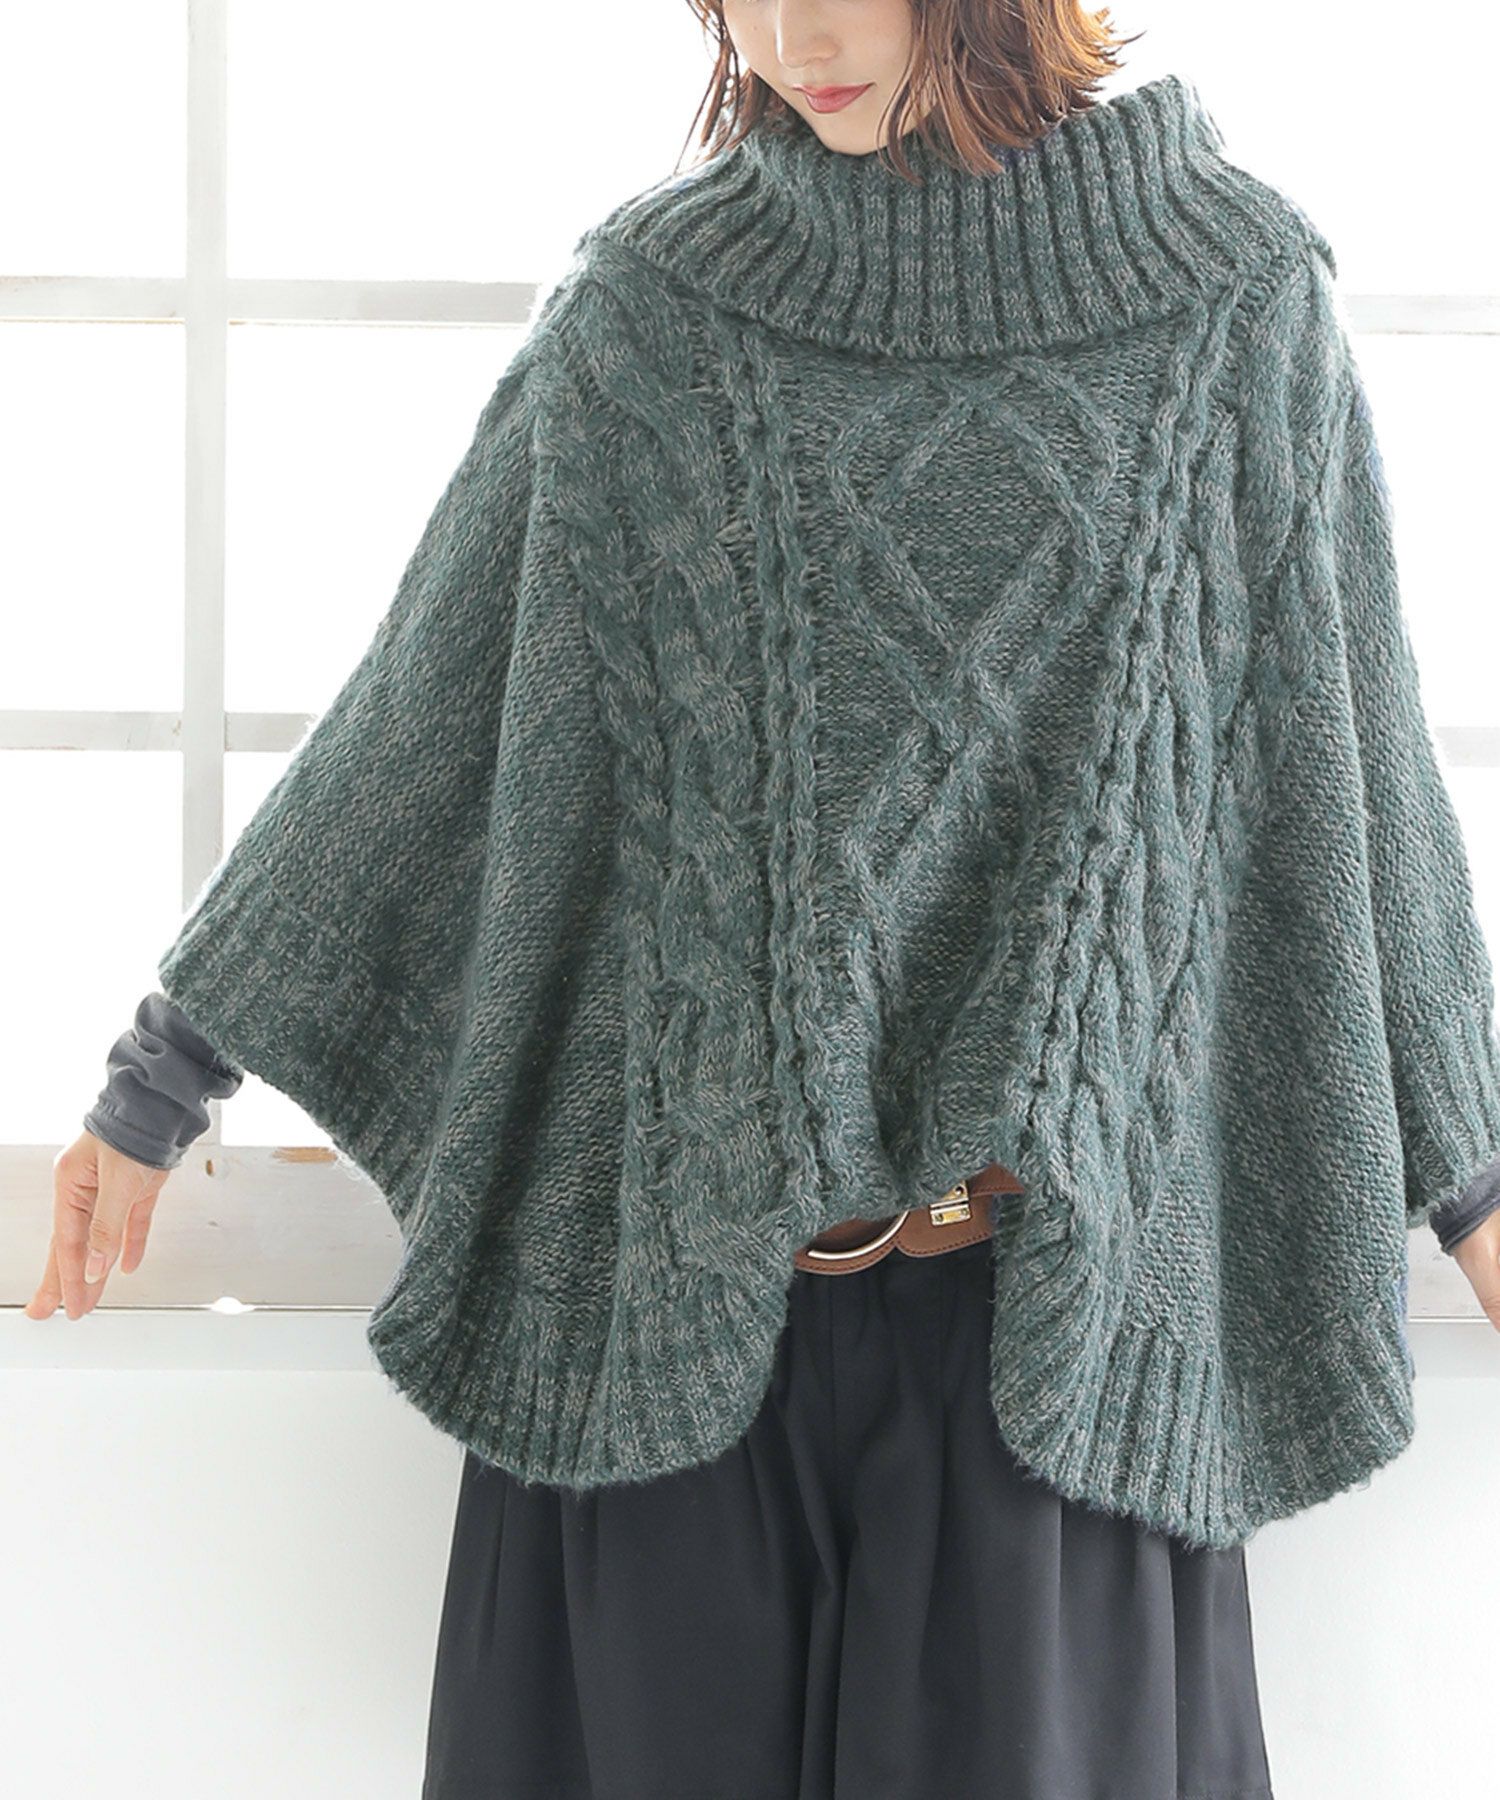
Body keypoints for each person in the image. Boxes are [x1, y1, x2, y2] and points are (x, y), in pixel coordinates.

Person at [28, 5, 1500, 1795]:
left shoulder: (1237, 302)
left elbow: (1354, 772)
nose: (793, 30)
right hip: (665, 1335)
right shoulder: (650, 308)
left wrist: (1475, 1179)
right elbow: (428, 719)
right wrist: (161, 1080)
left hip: (1054, 1356)